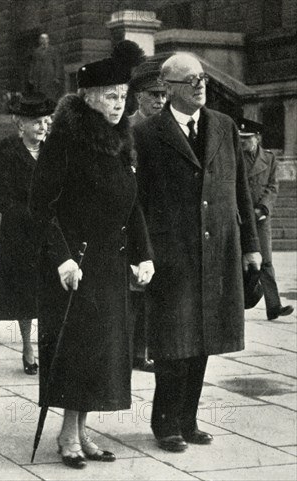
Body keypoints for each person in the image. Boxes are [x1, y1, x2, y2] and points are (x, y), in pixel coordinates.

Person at [29, 41, 153, 468]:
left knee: (99, 352)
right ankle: (67, 434)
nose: (119, 105)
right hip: (73, 265)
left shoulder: (121, 140)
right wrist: (62, 257)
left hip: (108, 263)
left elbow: (131, 201)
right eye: (110, 96)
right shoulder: (64, 141)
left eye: (123, 96)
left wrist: (144, 253)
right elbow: (40, 206)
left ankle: (82, 432)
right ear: (87, 97)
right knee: (75, 350)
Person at [134, 53, 262, 453]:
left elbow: (241, 189)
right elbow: (139, 201)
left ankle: (188, 420)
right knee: (174, 343)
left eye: (203, 78)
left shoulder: (222, 126)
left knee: (205, 339)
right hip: (173, 254)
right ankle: (165, 423)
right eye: (190, 80)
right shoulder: (148, 134)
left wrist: (252, 249)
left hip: (219, 249)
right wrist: (144, 253)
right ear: (169, 88)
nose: (200, 84)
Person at [0, 93, 55, 376]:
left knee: (47, 292)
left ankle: (44, 344)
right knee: (22, 291)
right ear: (20, 124)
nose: (43, 127)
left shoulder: (52, 151)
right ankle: (27, 346)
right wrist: (28, 215)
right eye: (36, 122)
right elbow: (2, 197)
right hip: (19, 235)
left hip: (49, 234)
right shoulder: (9, 150)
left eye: (46, 121)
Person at [128, 60, 168, 372]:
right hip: (133, 218)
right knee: (135, 292)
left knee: (158, 291)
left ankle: (150, 349)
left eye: (164, 95)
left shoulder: (169, 130)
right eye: (153, 94)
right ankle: (134, 351)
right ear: (139, 96)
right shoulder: (127, 129)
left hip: (163, 222)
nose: (160, 100)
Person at [239, 118, 294, 320]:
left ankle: (274, 306)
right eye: (240, 138)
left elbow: (272, 186)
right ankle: (239, 304)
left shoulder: (269, 159)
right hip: (240, 217)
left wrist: (262, 208)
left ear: (257, 138)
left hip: (261, 219)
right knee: (240, 262)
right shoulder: (234, 157)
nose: (242, 142)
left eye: (247, 138)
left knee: (267, 262)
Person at [128, 61, 167, 126]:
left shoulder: (171, 126)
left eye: (164, 95)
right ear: (138, 97)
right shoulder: (126, 126)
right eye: (155, 95)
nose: (160, 100)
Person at [28, 33, 64, 102]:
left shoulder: (53, 50)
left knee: (50, 93)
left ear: (48, 40)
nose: (44, 40)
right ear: (39, 40)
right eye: (42, 38)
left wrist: (57, 76)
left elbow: (57, 63)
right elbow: (32, 65)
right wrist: (31, 77)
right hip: (39, 76)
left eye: (45, 38)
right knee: (39, 93)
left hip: (50, 75)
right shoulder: (36, 51)